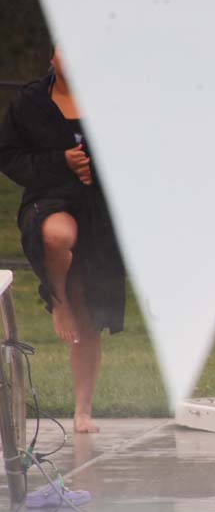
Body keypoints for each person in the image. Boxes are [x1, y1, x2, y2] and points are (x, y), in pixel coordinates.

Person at [0, 50, 126, 433]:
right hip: (49, 199)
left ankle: (82, 412)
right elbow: (8, 155)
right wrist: (62, 162)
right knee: (57, 235)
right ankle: (57, 300)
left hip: (99, 209)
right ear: (53, 57)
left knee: (87, 311)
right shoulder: (31, 103)